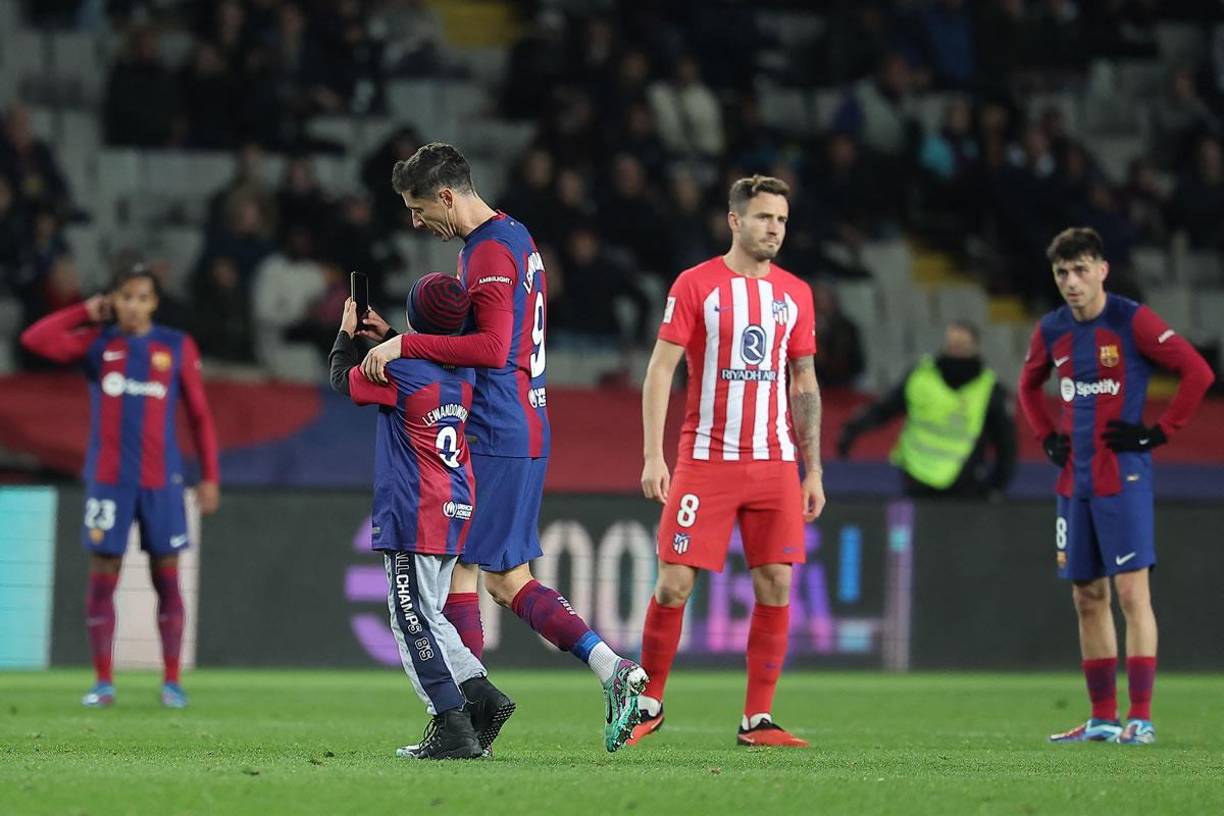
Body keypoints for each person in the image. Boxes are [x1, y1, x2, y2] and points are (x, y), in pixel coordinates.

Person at [358, 142, 647, 753]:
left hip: (494, 426)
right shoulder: (513, 235)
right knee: (502, 578)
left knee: (463, 572)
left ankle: (464, 720)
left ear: (445, 195)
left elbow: (491, 349)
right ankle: (609, 674)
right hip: (524, 421)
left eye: (416, 208)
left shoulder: (486, 250)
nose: (415, 222)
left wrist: (407, 346)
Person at [633, 175, 826, 748]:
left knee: (776, 585)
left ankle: (757, 720)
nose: (774, 229)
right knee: (673, 584)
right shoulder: (697, 285)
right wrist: (652, 454)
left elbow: (805, 382)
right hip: (705, 459)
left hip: (774, 464)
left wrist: (812, 469)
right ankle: (649, 703)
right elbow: (661, 370)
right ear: (735, 221)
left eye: (782, 220)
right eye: (764, 217)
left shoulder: (796, 293)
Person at [1019, 227, 1214, 745]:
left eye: (1081, 269)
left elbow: (1197, 372)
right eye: (1062, 272)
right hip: (1073, 480)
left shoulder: (1131, 320)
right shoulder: (1053, 329)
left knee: (1131, 592)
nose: (1071, 281)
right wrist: (1046, 436)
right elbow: (1026, 385)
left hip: (1122, 477)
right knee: (1087, 595)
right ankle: (1103, 717)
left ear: (1102, 270)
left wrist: (1158, 432)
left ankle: (1142, 716)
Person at [329, 274, 514, 760]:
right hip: (455, 505)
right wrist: (392, 337)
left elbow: (341, 381)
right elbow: (431, 354)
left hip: (415, 510)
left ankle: (451, 722)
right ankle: (481, 694)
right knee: (430, 615)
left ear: (416, 320)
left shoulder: (402, 373)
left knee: (409, 618)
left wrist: (347, 333)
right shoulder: (464, 371)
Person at [20, 264, 220, 709]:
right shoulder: (99, 343)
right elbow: (35, 341)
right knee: (102, 579)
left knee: (165, 579)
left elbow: (200, 416)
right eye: (125, 297)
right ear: (114, 300)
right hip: (108, 482)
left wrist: (210, 477)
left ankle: (171, 682)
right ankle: (103, 682)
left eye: (141, 297)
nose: (133, 306)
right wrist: (83, 312)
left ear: (154, 302)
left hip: (161, 482)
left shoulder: (175, 346)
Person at [837, 321, 1016, 498]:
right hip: (916, 474)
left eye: (962, 345)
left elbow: (1006, 443)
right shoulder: (921, 377)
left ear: (975, 347)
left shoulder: (989, 389)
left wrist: (997, 486)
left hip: (965, 480)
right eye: (952, 345)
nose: (956, 351)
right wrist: (852, 429)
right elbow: (885, 409)